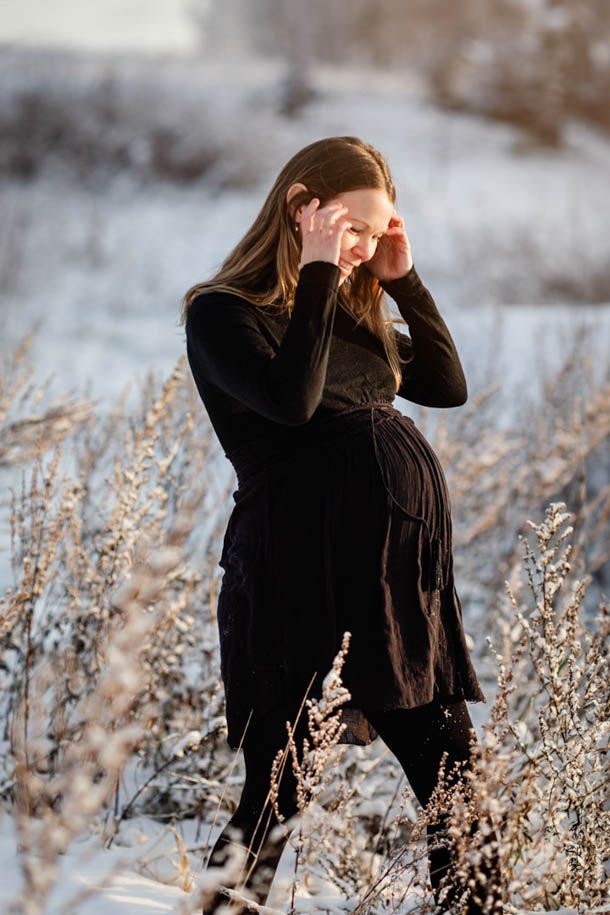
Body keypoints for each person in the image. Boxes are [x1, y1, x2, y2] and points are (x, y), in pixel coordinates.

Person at [183, 136, 503, 913]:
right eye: (353, 228)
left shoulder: (356, 312)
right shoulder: (224, 313)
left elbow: (448, 385)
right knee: (278, 789)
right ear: (303, 209)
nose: (365, 246)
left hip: (393, 587)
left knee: (457, 779)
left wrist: (406, 279)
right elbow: (291, 400)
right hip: (299, 580)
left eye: (377, 230)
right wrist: (322, 267)